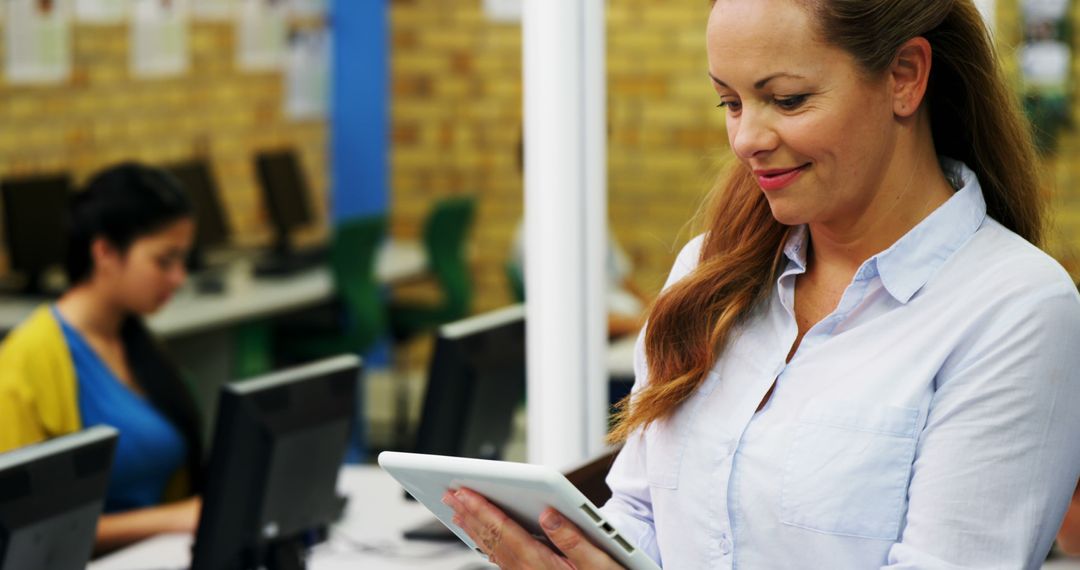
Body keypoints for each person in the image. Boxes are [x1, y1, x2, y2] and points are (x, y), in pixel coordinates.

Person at [442, 0, 1080, 567]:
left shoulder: (1017, 310)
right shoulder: (705, 274)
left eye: (788, 99)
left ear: (904, 77)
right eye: (730, 101)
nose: (746, 138)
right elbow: (639, 518)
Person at [0, 163, 203, 553]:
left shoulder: (139, 342)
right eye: (165, 261)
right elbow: (22, 532)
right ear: (105, 252)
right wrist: (172, 519)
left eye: (183, 261)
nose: (179, 277)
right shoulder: (27, 360)